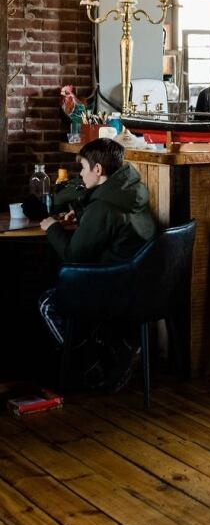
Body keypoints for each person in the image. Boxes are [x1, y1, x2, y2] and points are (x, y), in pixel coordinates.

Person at [38, 139, 157, 390]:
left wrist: (53, 228)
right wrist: (83, 215)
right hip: (140, 282)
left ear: (98, 170)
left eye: (83, 168)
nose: (80, 174)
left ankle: (92, 365)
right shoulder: (130, 190)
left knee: (48, 303)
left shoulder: (104, 206)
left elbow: (73, 255)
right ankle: (111, 352)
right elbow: (108, 225)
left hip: (113, 287)